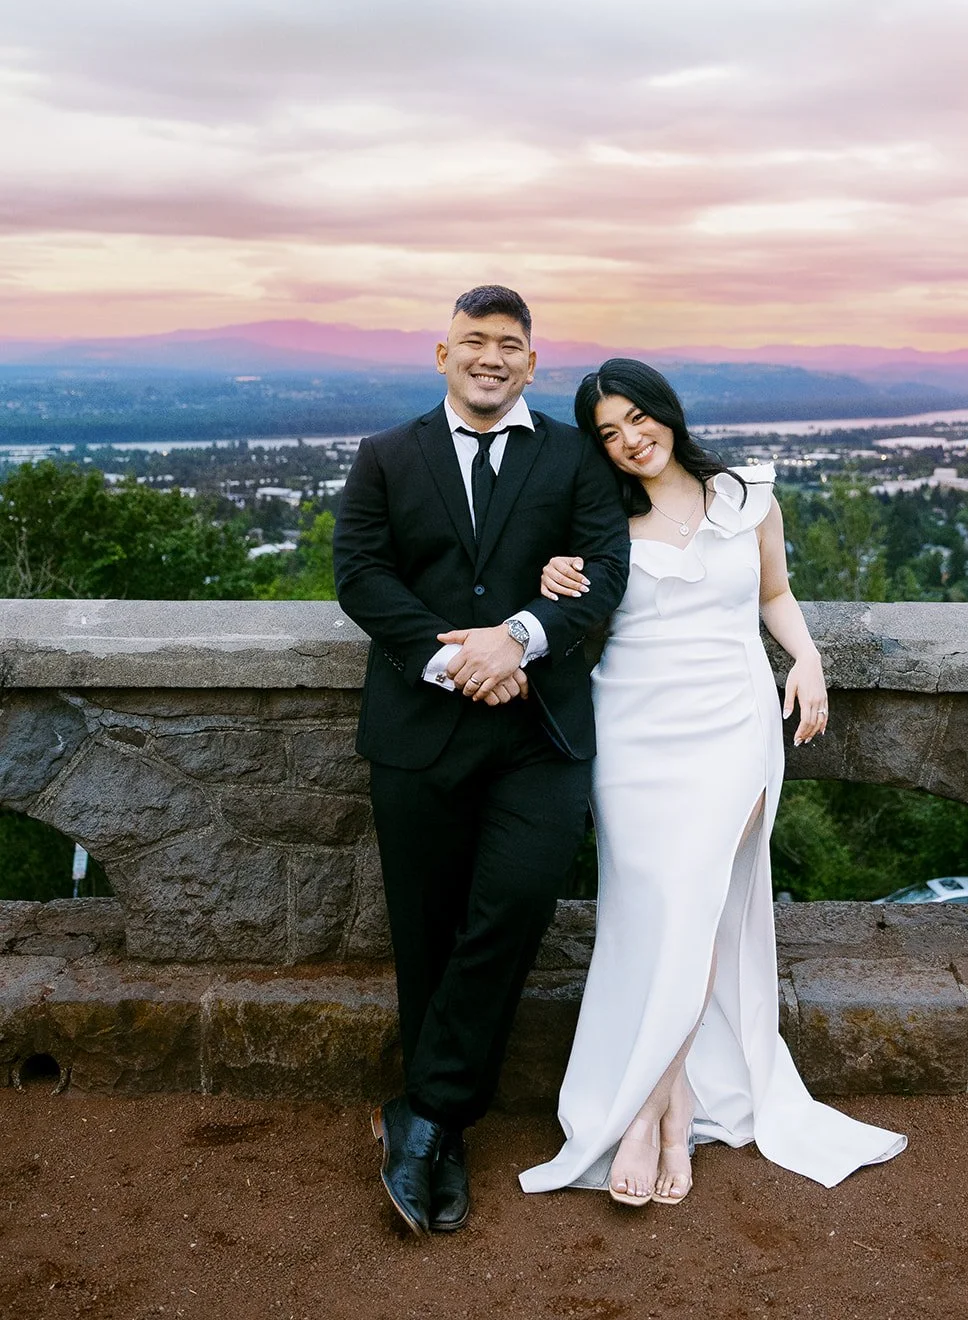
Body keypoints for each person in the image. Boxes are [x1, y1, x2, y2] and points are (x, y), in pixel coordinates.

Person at [520, 359, 906, 1205]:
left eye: (636, 420)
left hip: (733, 728)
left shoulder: (748, 498)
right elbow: (562, 611)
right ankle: (679, 1094)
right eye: (608, 434)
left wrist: (807, 659)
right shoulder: (594, 519)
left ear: (665, 411)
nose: (629, 441)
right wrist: (548, 578)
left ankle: (649, 1114)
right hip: (631, 736)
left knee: (699, 908)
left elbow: (776, 593)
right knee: (655, 913)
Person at [333, 288, 630, 1235]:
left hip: (537, 735)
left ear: (533, 364)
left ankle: (423, 1111)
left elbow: (606, 571)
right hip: (419, 732)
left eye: (511, 345)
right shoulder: (385, 457)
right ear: (441, 353)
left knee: (511, 907)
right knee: (426, 933)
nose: (492, 357)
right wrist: (455, 658)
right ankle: (440, 1133)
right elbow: (361, 575)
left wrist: (522, 637)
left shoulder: (576, 457)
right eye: (474, 342)